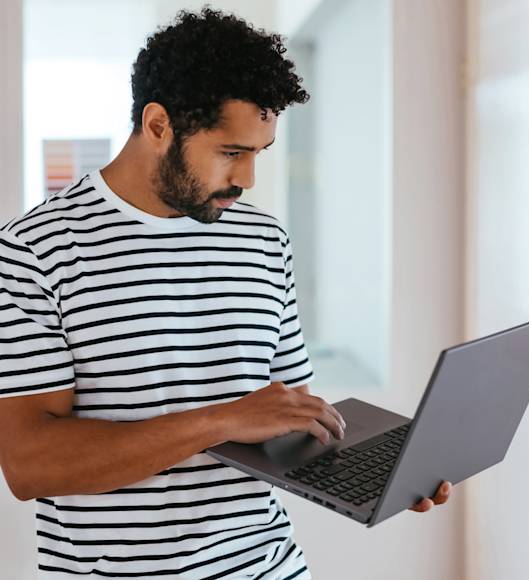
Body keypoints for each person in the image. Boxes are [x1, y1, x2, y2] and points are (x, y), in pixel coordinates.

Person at [0, 7, 452, 579]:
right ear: (159, 124)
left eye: (257, 153)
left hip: (270, 567)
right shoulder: (34, 249)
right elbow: (30, 465)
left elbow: (284, 413)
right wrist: (219, 421)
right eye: (230, 153)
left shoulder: (262, 238)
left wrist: (385, 473)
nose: (247, 180)